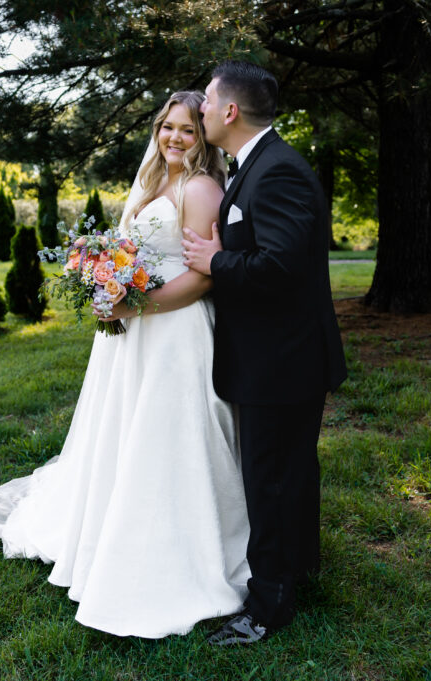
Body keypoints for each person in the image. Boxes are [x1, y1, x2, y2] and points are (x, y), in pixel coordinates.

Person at [0, 91, 252, 639]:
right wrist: (105, 280)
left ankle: (179, 544)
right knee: (124, 430)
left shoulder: (200, 189)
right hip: (135, 330)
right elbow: (131, 250)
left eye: (188, 131)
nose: (174, 138)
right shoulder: (153, 184)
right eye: (167, 127)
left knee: (170, 435)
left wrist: (133, 303)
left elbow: (202, 277)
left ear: (204, 137)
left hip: (175, 333)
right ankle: (111, 522)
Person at [183, 60, 348, 645]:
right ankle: (299, 570)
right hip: (277, 356)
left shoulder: (276, 171)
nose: (199, 109)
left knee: (272, 479)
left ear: (230, 111)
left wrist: (214, 263)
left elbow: (280, 267)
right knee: (289, 472)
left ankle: (268, 605)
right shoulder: (251, 166)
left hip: (281, 361)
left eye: (205, 100)